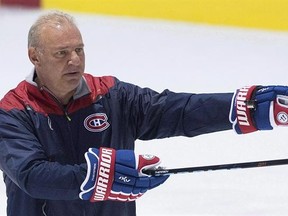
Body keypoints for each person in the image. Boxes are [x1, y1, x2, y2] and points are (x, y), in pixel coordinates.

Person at [0, 10, 287, 216]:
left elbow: (177, 111)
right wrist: (99, 176)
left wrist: (244, 108)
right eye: (62, 53)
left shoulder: (112, 95)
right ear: (34, 56)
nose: (75, 60)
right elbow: (31, 175)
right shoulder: (13, 112)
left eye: (79, 50)